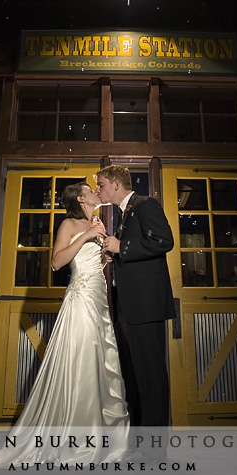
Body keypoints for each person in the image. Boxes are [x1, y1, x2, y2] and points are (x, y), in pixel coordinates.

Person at [0, 182, 130, 468]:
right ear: (81, 198)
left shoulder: (97, 222)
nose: (95, 193)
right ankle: (74, 442)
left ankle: (101, 440)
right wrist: (87, 235)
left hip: (99, 300)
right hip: (80, 301)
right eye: (91, 190)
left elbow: (89, 262)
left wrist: (103, 258)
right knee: (82, 361)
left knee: (100, 363)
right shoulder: (69, 224)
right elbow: (57, 262)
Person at [96, 165, 175, 429]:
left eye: (102, 185)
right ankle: (138, 439)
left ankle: (154, 448)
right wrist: (114, 254)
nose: (99, 190)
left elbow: (164, 241)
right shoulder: (122, 214)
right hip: (127, 308)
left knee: (151, 378)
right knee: (133, 378)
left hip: (146, 307)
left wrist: (122, 246)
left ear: (116, 185)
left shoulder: (145, 205)